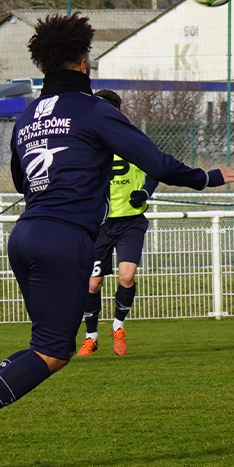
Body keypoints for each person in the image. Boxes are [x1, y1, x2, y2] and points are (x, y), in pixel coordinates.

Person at [0, 15, 234, 467]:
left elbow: (21, 179)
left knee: (45, 341)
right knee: (54, 351)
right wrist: (208, 177)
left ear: (43, 65)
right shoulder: (93, 109)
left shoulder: (27, 116)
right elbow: (155, 162)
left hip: (25, 233)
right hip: (65, 237)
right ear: (83, 63)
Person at [79, 89, 156, 357]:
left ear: (119, 113)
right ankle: (90, 337)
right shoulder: (86, 143)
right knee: (92, 284)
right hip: (99, 225)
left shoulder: (133, 140)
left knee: (127, 276)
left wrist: (144, 192)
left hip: (130, 223)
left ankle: (118, 327)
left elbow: (155, 169)